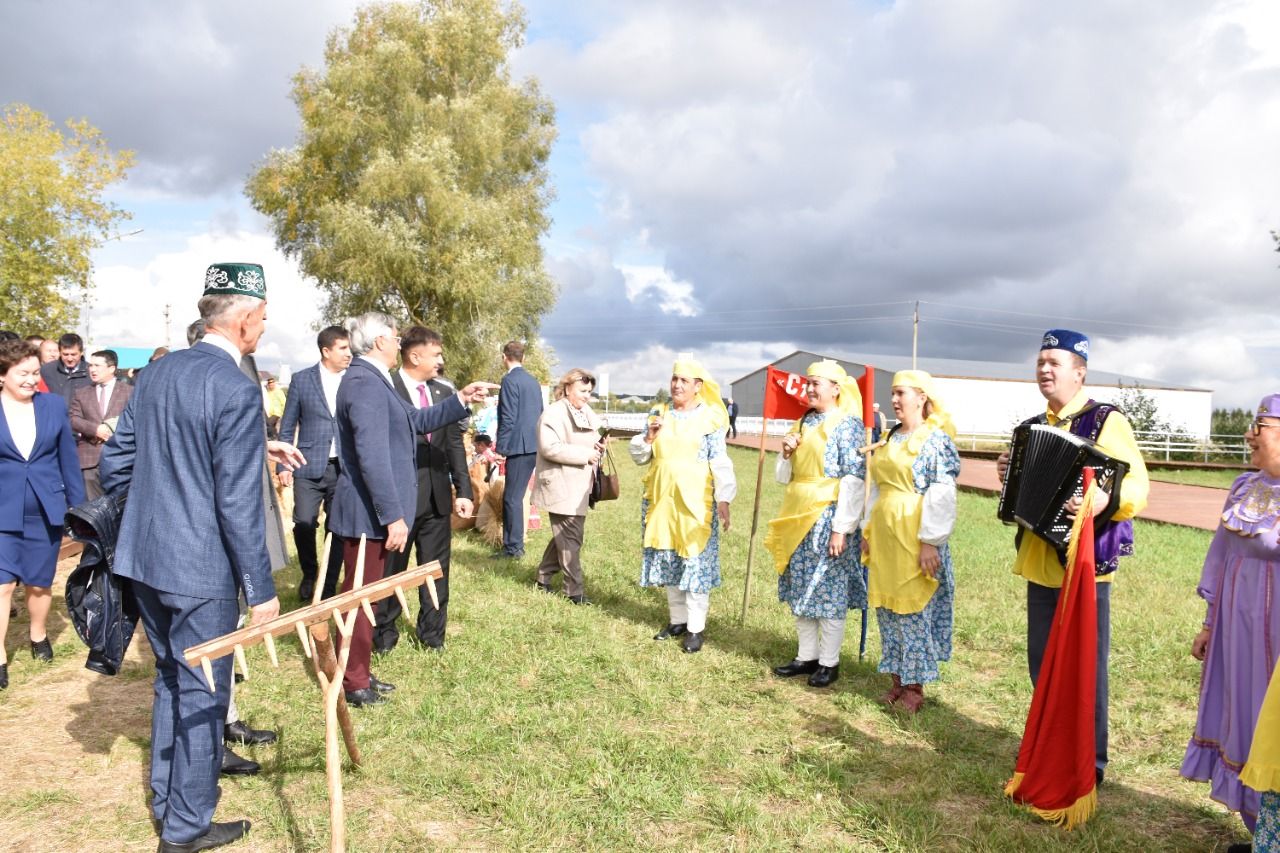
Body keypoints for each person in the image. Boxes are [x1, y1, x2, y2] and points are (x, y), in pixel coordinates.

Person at [99, 262, 304, 851]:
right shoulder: (236, 386)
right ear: (242, 320)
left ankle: (169, 804)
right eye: (262, 320)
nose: (263, 331)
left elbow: (118, 465)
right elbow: (238, 504)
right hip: (200, 572)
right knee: (203, 692)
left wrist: (155, 507)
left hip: (144, 557)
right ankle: (186, 828)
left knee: (170, 680)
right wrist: (260, 590)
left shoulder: (159, 373)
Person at [996, 328, 1149, 785]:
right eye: (1041, 361)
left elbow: (1137, 485)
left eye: (1054, 363)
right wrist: (1008, 474)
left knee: (1085, 669)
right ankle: (1049, 747)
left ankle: (1090, 762)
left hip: (1086, 568)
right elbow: (1019, 496)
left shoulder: (1107, 421)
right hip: (1041, 565)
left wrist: (1106, 499)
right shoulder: (1032, 428)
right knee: (1040, 663)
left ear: (1079, 373)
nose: (1044, 369)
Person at [327, 312, 494, 707]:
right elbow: (372, 457)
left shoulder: (373, 380)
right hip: (368, 515)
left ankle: (360, 671)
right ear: (380, 341)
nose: (400, 340)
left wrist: (460, 400)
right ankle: (352, 682)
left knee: (366, 596)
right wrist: (393, 515)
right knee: (360, 598)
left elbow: (415, 420)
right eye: (395, 335)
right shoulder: (365, 383)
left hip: (375, 513)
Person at [1180, 394, 1280, 835]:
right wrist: (1208, 622)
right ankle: (1260, 831)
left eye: (1262, 428)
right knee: (1239, 710)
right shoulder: (1243, 485)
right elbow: (1220, 555)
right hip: (1234, 628)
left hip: (1275, 628)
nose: (1249, 436)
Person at [862, 370, 960, 712]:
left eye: (900, 393)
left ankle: (915, 688)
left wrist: (930, 541)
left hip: (914, 536)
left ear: (921, 397)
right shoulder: (891, 438)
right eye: (892, 393)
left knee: (912, 610)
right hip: (886, 537)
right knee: (888, 608)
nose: (894, 399)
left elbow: (942, 491)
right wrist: (867, 530)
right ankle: (897, 680)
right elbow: (877, 489)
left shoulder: (935, 439)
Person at [765, 360, 867, 688]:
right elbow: (785, 476)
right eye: (808, 383)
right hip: (797, 513)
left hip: (827, 514)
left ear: (836, 389)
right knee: (801, 586)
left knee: (829, 589)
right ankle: (806, 655)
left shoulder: (847, 425)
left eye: (816, 383)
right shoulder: (804, 422)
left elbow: (853, 477)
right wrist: (784, 453)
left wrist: (842, 527)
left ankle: (829, 662)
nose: (809, 389)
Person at [373, 326, 474, 653]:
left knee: (437, 570)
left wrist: (464, 490)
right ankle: (383, 636)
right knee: (392, 570)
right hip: (401, 500)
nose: (441, 360)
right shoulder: (387, 387)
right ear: (415, 356)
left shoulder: (445, 391)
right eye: (436, 354)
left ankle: (432, 636)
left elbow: (454, 443)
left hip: (437, 499)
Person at [630, 357, 736, 653]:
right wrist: (648, 438)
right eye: (674, 379)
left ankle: (695, 628)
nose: (676, 385)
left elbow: (719, 459)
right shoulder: (659, 413)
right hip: (661, 497)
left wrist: (724, 498)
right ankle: (676, 620)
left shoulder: (711, 417)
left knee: (693, 560)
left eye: (684, 381)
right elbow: (639, 457)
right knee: (668, 557)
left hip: (695, 499)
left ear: (698, 387)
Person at [0, 340, 85, 689]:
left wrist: (79, 510)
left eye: (36, 373)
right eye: (23, 374)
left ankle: (38, 635)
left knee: (38, 581)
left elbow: (68, 459)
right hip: (2, 511)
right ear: (2, 375)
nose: (32, 379)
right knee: (2, 585)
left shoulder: (51, 406)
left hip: (44, 511)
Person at [276, 326, 351, 602]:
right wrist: (284, 465)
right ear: (326, 350)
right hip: (307, 465)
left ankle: (328, 583)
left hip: (344, 468)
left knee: (338, 527)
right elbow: (287, 425)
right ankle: (310, 572)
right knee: (304, 523)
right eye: (343, 348)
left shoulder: (353, 379)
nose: (348, 353)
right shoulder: (302, 380)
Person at [532, 368, 605, 605]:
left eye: (590, 392)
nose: (587, 396)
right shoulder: (553, 414)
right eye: (583, 391)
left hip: (578, 485)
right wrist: (586, 454)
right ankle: (574, 592)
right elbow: (549, 447)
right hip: (561, 484)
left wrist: (599, 446)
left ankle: (542, 578)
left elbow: (593, 436)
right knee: (571, 537)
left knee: (564, 535)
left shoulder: (584, 411)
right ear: (567, 388)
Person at [495, 341, 543, 558]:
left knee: (512, 498)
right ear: (523, 358)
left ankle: (513, 547)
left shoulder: (509, 381)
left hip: (517, 446)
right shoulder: (533, 382)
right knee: (517, 495)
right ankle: (514, 544)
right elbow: (540, 413)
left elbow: (508, 417)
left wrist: (501, 447)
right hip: (533, 444)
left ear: (505, 357)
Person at [67, 349, 132, 501]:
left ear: (112, 368)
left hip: (120, 460)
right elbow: (73, 419)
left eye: (97, 365)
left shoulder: (129, 392)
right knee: (92, 512)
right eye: (90, 365)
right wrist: (95, 429)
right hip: (90, 460)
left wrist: (112, 429)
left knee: (119, 509)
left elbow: (134, 419)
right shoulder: (82, 393)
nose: (92, 369)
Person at [39, 332, 90, 400]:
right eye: (65, 354)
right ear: (60, 352)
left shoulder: (91, 372)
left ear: (81, 352)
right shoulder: (46, 371)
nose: (69, 359)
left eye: (73, 354)